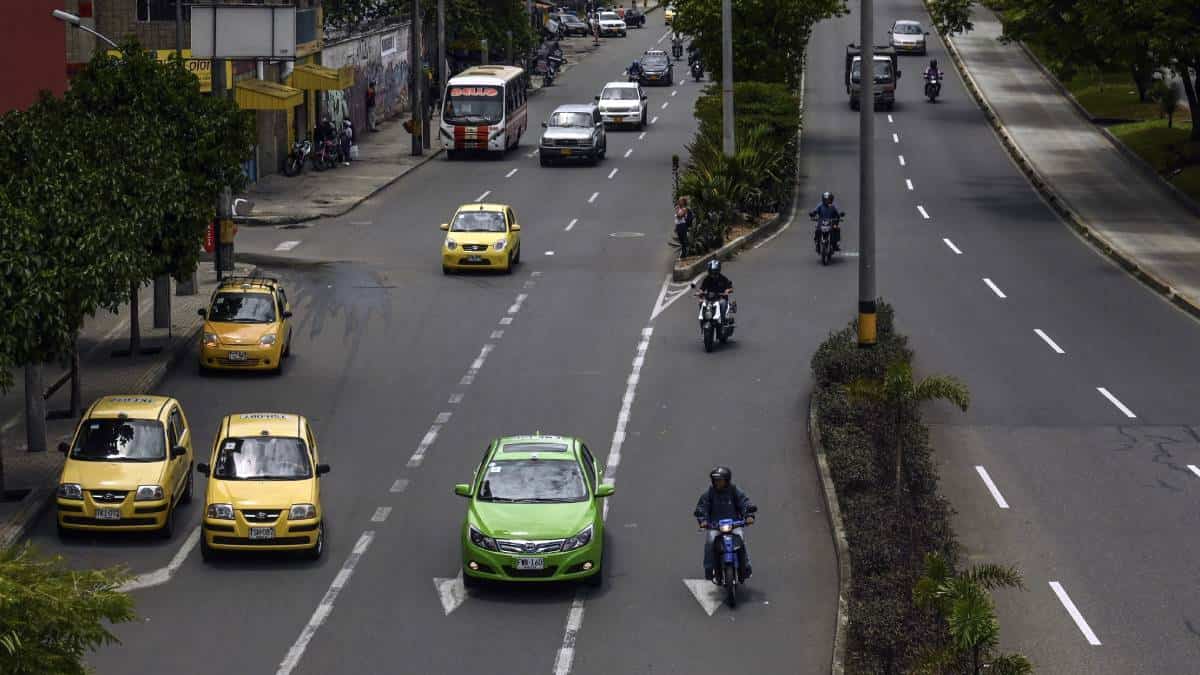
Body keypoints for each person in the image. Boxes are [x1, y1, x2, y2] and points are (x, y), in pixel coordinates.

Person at [694, 466, 755, 582]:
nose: (718, 483)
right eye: (716, 480)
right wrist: (703, 520)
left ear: (727, 480)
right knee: (710, 541)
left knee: (741, 540)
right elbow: (702, 507)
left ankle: (746, 567)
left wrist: (749, 516)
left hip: (734, 524)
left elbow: (744, 502)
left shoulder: (734, 490)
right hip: (715, 526)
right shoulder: (709, 493)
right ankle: (709, 568)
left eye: (720, 480)